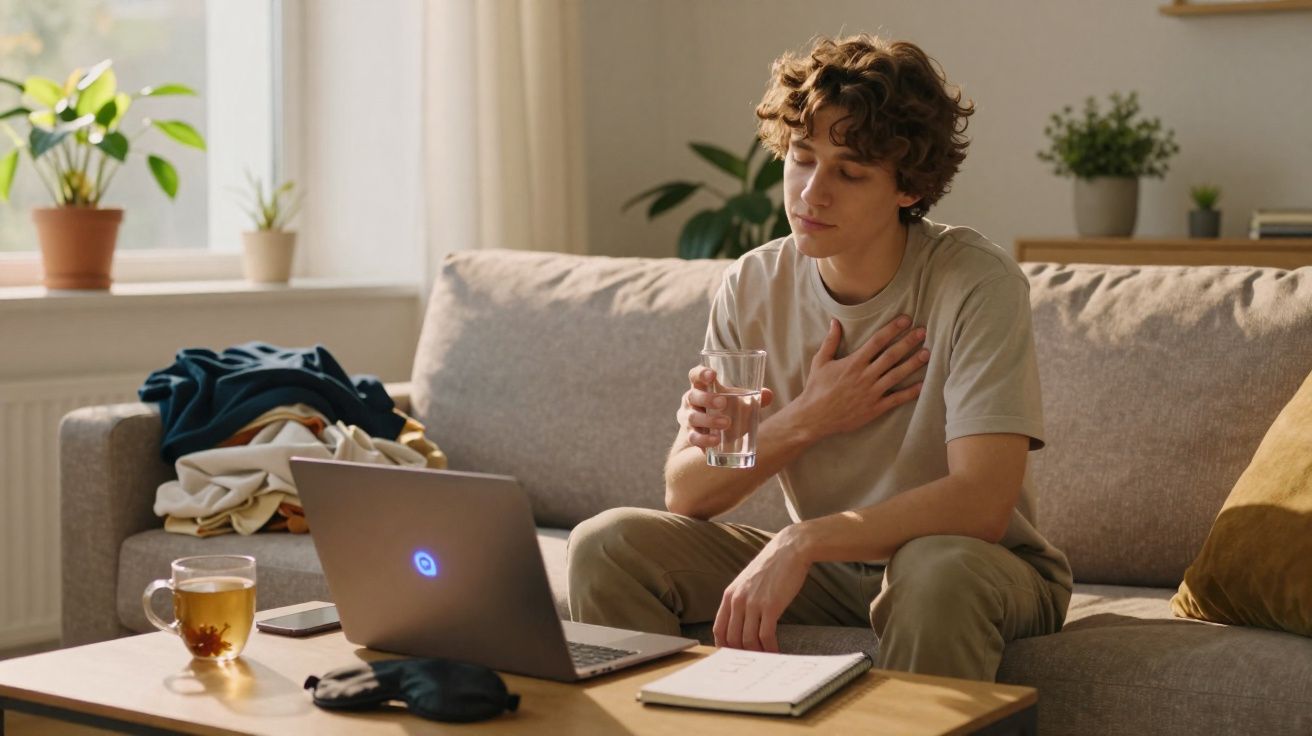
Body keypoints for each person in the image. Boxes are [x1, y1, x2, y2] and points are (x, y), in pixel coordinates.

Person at [566, 33, 1072, 682]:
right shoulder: (753, 286)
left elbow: (981, 503)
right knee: (607, 545)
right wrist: (809, 416)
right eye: (802, 159)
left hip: (976, 564)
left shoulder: (975, 283)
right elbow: (689, 493)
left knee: (933, 569)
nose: (812, 192)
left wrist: (802, 539)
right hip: (834, 572)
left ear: (909, 188)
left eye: (850, 172)